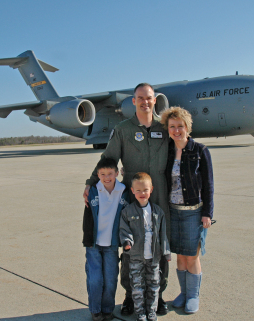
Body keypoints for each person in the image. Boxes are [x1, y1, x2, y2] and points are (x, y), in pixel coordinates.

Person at [84, 83, 170, 316]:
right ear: (134, 101)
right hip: (132, 195)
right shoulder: (124, 129)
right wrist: (91, 182)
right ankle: (131, 295)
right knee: (130, 246)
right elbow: (108, 157)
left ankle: (158, 294)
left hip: (160, 192)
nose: (145, 102)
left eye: (149, 98)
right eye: (140, 98)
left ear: (155, 100)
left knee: (158, 245)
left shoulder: (165, 127)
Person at [160, 107, 214, 314]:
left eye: (179, 126)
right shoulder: (167, 152)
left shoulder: (200, 151)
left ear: (187, 127)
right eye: (172, 127)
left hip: (193, 211)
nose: (176, 130)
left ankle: (193, 295)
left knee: (192, 256)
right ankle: (183, 292)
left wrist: (207, 213)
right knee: (180, 256)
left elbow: (208, 185)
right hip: (173, 211)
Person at [82, 158, 130, 321]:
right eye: (102, 174)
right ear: (98, 175)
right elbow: (87, 218)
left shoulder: (124, 192)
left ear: (117, 173)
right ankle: (96, 310)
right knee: (95, 279)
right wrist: (87, 240)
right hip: (94, 244)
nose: (107, 177)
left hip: (112, 244)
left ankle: (108, 309)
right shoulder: (93, 191)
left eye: (110, 173)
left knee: (110, 279)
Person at [119, 172, 171, 321]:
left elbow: (163, 233)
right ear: (132, 190)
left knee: (154, 285)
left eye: (145, 190)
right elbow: (124, 229)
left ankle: (151, 311)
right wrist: (127, 242)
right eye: (139, 190)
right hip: (135, 257)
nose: (142, 193)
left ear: (151, 189)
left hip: (153, 258)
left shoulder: (158, 212)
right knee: (137, 287)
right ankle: (140, 313)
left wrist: (166, 251)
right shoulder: (127, 212)